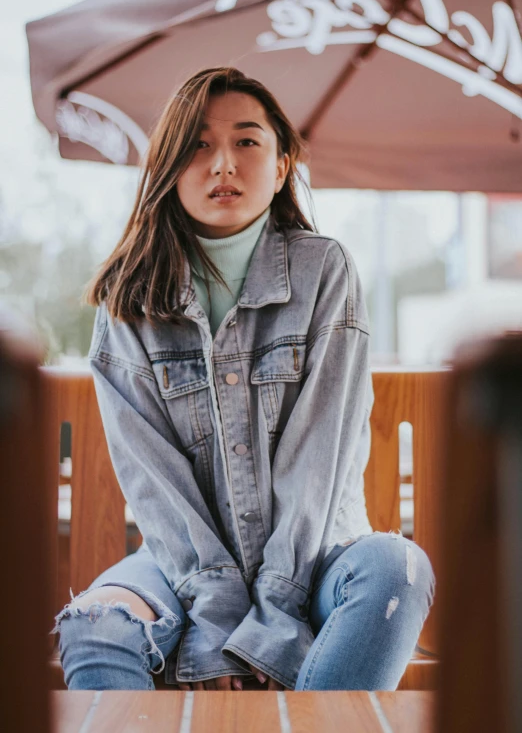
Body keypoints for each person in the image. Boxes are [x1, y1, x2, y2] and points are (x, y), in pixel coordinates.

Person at [50, 66, 436, 692]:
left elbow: (321, 458)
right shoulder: (129, 298)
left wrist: (272, 617)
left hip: (316, 563)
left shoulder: (323, 272)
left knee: (400, 570)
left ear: (282, 165)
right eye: (198, 145)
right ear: (169, 168)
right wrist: (220, 617)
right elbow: (153, 481)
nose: (223, 163)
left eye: (247, 142)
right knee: (96, 625)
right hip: (182, 567)